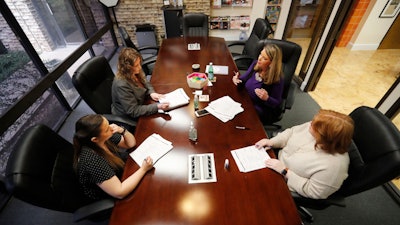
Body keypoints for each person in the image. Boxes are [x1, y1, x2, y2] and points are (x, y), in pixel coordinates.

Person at [255, 109, 354, 199]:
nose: (310, 124)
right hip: (274, 160)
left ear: (325, 136)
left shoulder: (334, 166)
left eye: (314, 125)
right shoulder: (314, 126)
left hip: (285, 181)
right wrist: (272, 142)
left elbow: (313, 191)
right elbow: (291, 132)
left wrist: (285, 171)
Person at [73, 114, 153, 200]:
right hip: (109, 195)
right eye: (107, 129)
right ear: (95, 139)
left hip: (119, 174)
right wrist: (143, 169)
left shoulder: (104, 136)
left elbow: (130, 144)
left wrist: (123, 131)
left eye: (108, 124)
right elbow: (119, 192)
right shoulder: (91, 160)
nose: (112, 128)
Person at [232, 43, 284, 124]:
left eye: (264, 58)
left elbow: (277, 103)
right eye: (260, 54)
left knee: (239, 120)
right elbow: (244, 78)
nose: (259, 58)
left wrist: (267, 98)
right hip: (246, 100)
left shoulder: (277, 78)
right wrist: (237, 79)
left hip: (259, 108)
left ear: (272, 63)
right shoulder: (255, 64)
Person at [111, 47, 169, 119]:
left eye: (139, 64)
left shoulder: (134, 71)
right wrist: (157, 106)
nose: (140, 67)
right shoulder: (121, 85)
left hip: (142, 102)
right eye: (136, 65)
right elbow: (133, 111)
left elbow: (145, 81)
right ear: (127, 68)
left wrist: (151, 92)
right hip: (128, 116)